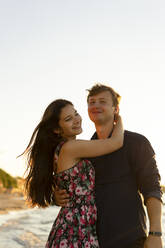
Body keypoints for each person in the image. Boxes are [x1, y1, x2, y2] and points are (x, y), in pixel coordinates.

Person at [55, 84, 163, 248]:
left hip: (131, 239)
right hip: (91, 241)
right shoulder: (84, 152)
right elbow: (70, 187)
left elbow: (152, 188)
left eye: (102, 101)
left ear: (115, 109)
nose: (96, 105)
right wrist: (56, 196)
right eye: (92, 102)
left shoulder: (136, 143)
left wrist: (155, 233)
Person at [21, 99, 124, 247]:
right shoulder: (71, 147)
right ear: (57, 129)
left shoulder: (62, 150)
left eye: (76, 114)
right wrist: (118, 117)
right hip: (75, 229)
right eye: (69, 119)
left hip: (75, 227)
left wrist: (55, 196)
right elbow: (116, 142)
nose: (76, 120)